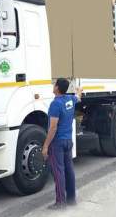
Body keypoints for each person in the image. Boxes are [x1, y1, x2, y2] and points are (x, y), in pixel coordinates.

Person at [42, 78, 83, 210]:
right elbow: (78, 97)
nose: (53, 86)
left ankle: (60, 202)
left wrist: (46, 146)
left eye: (54, 85)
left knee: (58, 171)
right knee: (69, 170)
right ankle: (71, 199)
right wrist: (79, 90)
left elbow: (53, 127)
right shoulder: (70, 99)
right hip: (68, 141)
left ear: (57, 88)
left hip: (58, 143)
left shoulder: (56, 104)